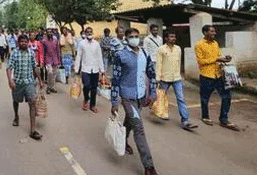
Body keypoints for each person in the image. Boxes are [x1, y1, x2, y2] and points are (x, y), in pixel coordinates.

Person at [111, 28, 158, 175]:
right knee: (139, 128)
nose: (134, 39)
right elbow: (116, 79)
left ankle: (124, 140)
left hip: (141, 95)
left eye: (136, 36)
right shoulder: (120, 55)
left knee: (130, 120)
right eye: (131, 37)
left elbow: (152, 73)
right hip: (127, 96)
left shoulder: (145, 53)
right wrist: (114, 101)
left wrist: (153, 92)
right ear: (126, 38)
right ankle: (149, 166)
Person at [194, 25, 237, 130]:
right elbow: (201, 61)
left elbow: (218, 56)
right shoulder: (199, 45)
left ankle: (224, 119)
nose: (214, 33)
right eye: (211, 31)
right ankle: (205, 116)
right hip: (206, 76)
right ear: (205, 32)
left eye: (214, 31)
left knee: (227, 96)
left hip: (218, 75)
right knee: (205, 98)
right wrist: (217, 59)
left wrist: (225, 59)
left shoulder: (215, 43)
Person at [156, 30, 197, 130]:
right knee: (161, 98)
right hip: (164, 78)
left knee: (181, 99)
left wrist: (180, 75)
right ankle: (160, 113)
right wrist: (158, 78)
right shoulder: (161, 49)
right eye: (171, 36)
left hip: (176, 78)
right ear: (166, 39)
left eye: (174, 36)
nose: (174, 38)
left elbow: (178, 63)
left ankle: (185, 121)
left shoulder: (178, 49)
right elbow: (159, 64)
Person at [6, 35, 45, 140]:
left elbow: (35, 67)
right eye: (21, 42)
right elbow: (9, 68)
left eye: (25, 42)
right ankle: (16, 116)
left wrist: (40, 80)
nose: (23, 43)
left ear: (28, 43)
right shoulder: (14, 53)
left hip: (29, 82)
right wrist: (10, 81)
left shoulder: (31, 53)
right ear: (18, 42)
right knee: (16, 101)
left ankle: (33, 130)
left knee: (32, 103)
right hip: (17, 82)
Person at [74, 27, 104, 113]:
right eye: (88, 32)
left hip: (95, 69)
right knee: (86, 86)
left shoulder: (96, 44)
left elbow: (99, 56)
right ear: (85, 33)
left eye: (91, 32)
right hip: (85, 69)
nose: (90, 33)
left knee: (94, 88)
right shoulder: (81, 44)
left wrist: (102, 69)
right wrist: (76, 69)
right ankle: (86, 98)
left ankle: (92, 105)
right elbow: (78, 56)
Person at [41, 28, 61, 94]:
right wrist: (42, 62)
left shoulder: (55, 41)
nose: (49, 33)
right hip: (48, 60)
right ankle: (48, 87)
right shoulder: (44, 41)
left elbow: (58, 51)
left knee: (54, 75)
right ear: (46, 33)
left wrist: (59, 61)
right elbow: (43, 52)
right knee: (50, 73)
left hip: (55, 60)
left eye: (50, 32)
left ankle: (52, 87)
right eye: (48, 32)